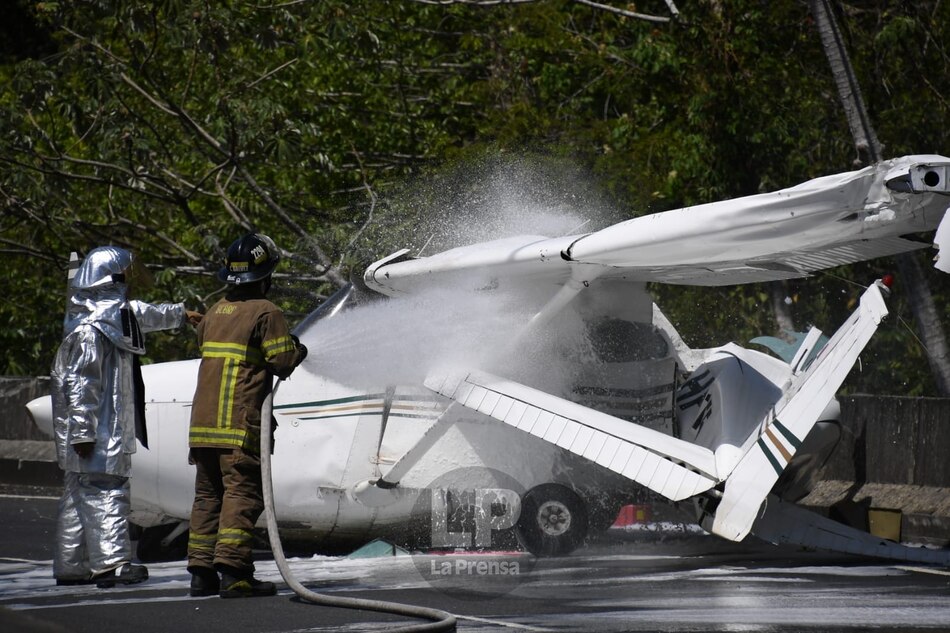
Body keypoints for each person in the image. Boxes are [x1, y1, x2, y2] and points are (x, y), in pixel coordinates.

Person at [52, 246, 202, 588]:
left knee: (78, 493)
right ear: (113, 280)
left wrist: (181, 314)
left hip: (93, 429)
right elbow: (82, 385)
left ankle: (72, 564)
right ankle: (112, 564)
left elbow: (145, 314)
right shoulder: (92, 330)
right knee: (107, 488)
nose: (133, 283)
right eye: (128, 276)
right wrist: (83, 433)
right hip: (97, 431)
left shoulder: (109, 318)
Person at [187, 233, 307, 599]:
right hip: (238, 425)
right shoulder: (265, 312)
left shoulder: (214, 311)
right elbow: (282, 361)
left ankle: (201, 574)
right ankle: (234, 572)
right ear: (265, 276)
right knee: (241, 495)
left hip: (202, 425)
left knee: (208, 497)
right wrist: (298, 348)